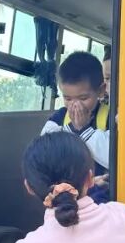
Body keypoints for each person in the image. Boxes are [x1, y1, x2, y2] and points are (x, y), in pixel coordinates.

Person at [40, 51, 111, 202]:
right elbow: (44, 155)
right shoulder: (59, 118)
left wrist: (84, 129)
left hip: (103, 197)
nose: (75, 105)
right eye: (68, 98)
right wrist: (73, 128)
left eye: (83, 98)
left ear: (100, 90)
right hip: (66, 197)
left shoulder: (110, 116)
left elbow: (113, 157)